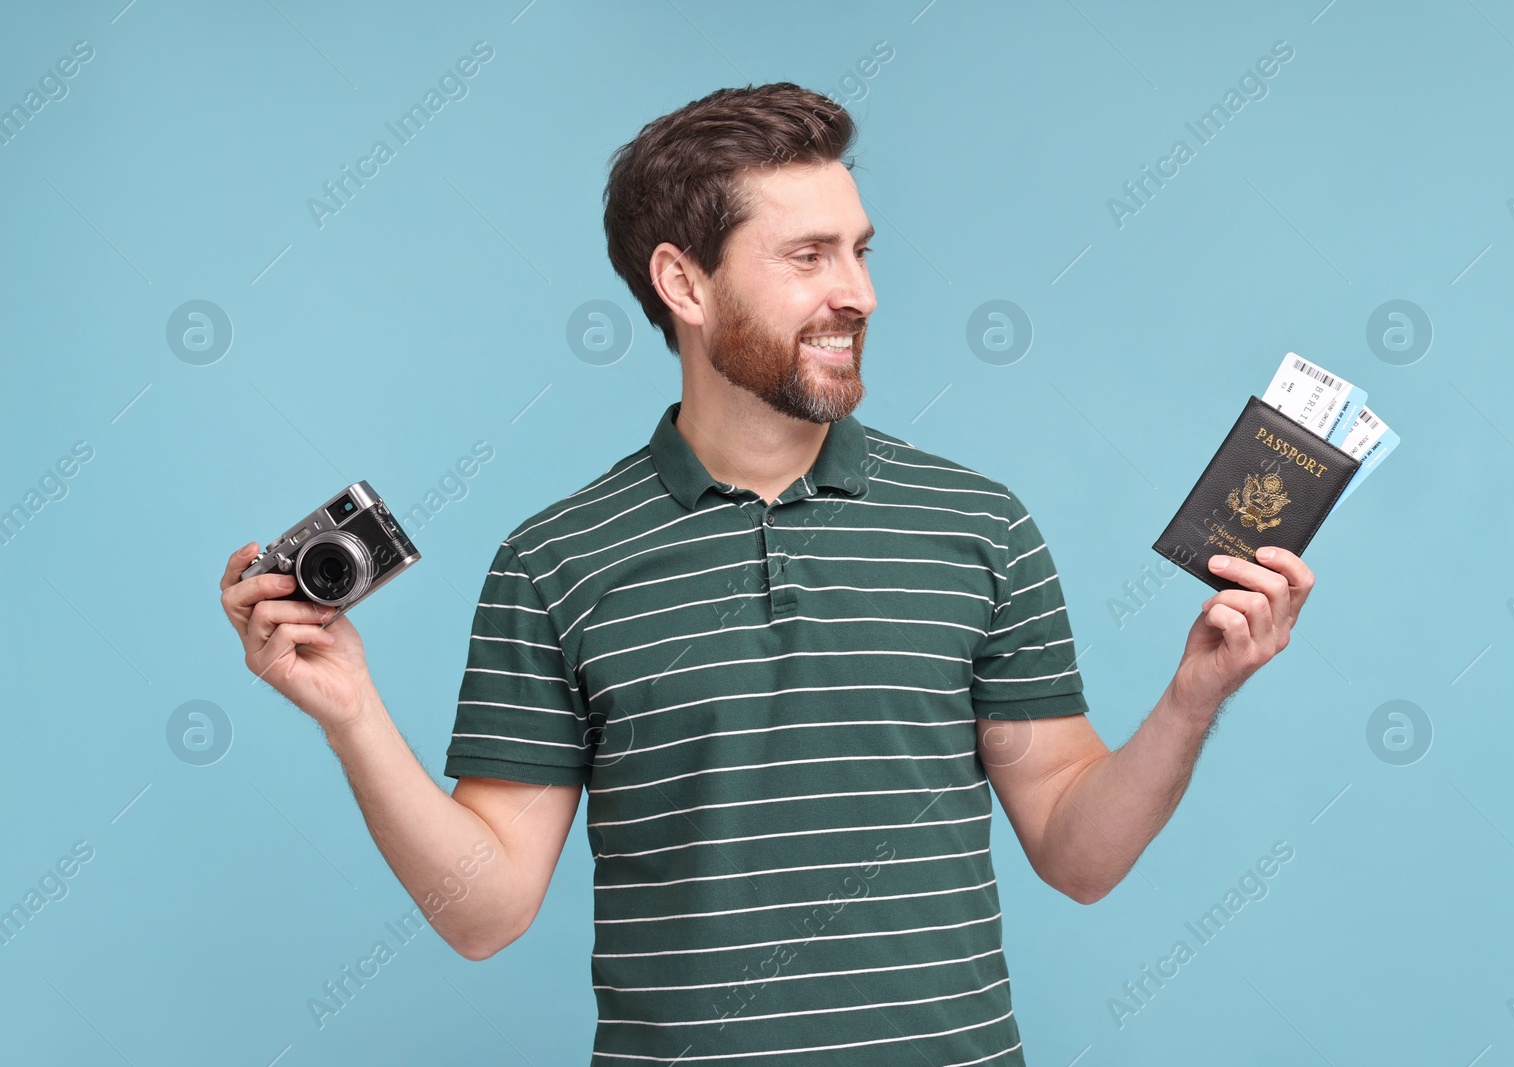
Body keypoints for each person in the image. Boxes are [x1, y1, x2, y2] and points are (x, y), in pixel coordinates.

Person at [219, 82, 1316, 1065]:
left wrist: (1189, 699)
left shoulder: (978, 525)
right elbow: (485, 909)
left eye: (860, 249)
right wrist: (353, 714)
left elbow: (1077, 852)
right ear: (682, 284)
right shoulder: (554, 562)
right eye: (807, 257)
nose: (860, 294)